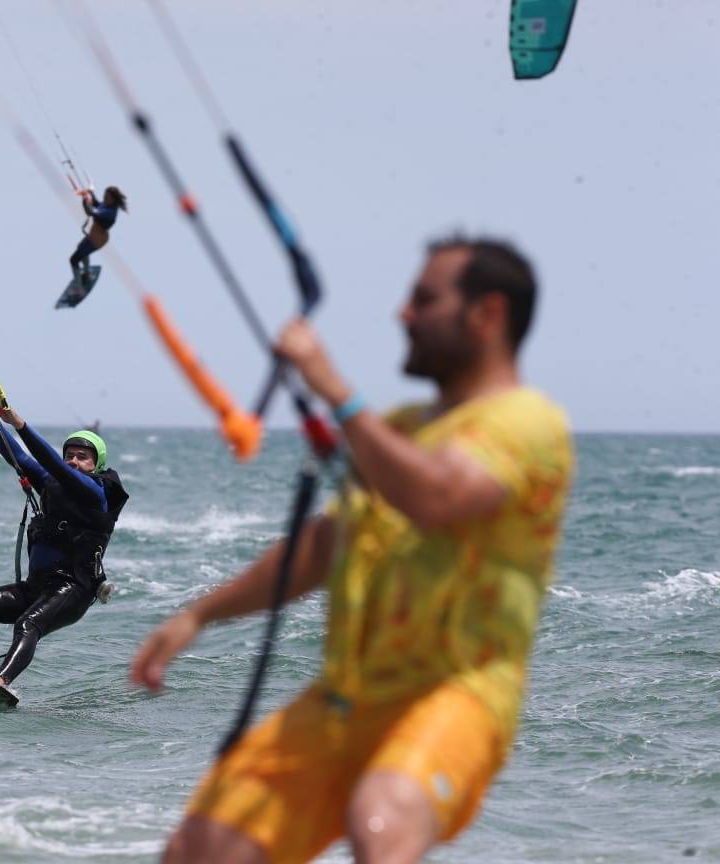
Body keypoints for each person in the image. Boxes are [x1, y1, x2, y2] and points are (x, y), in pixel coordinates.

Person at [131, 237, 575, 864]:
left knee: (382, 822)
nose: (402, 314)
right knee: (200, 849)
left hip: (456, 696)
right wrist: (198, 614)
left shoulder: (530, 424)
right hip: (344, 698)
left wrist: (337, 390)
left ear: (487, 315)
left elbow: (440, 496)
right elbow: (320, 549)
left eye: (424, 299)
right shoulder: (398, 428)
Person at [0, 396, 130, 687]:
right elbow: (17, 457)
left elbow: (53, 466)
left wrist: (19, 424)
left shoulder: (97, 493)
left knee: (27, 623)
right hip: (37, 587)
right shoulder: (52, 482)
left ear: (96, 465)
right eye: (69, 455)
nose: (73, 460)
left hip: (72, 589)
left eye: (82, 457)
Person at [69, 185, 128, 285]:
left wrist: (84, 201)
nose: (104, 199)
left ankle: (78, 289)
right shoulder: (107, 205)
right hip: (93, 235)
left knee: (73, 260)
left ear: (113, 199)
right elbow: (96, 203)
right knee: (80, 249)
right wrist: (90, 193)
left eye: (106, 197)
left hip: (98, 239)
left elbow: (90, 212)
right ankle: (87, 274)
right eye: (104, 196)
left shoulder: (110, 213)